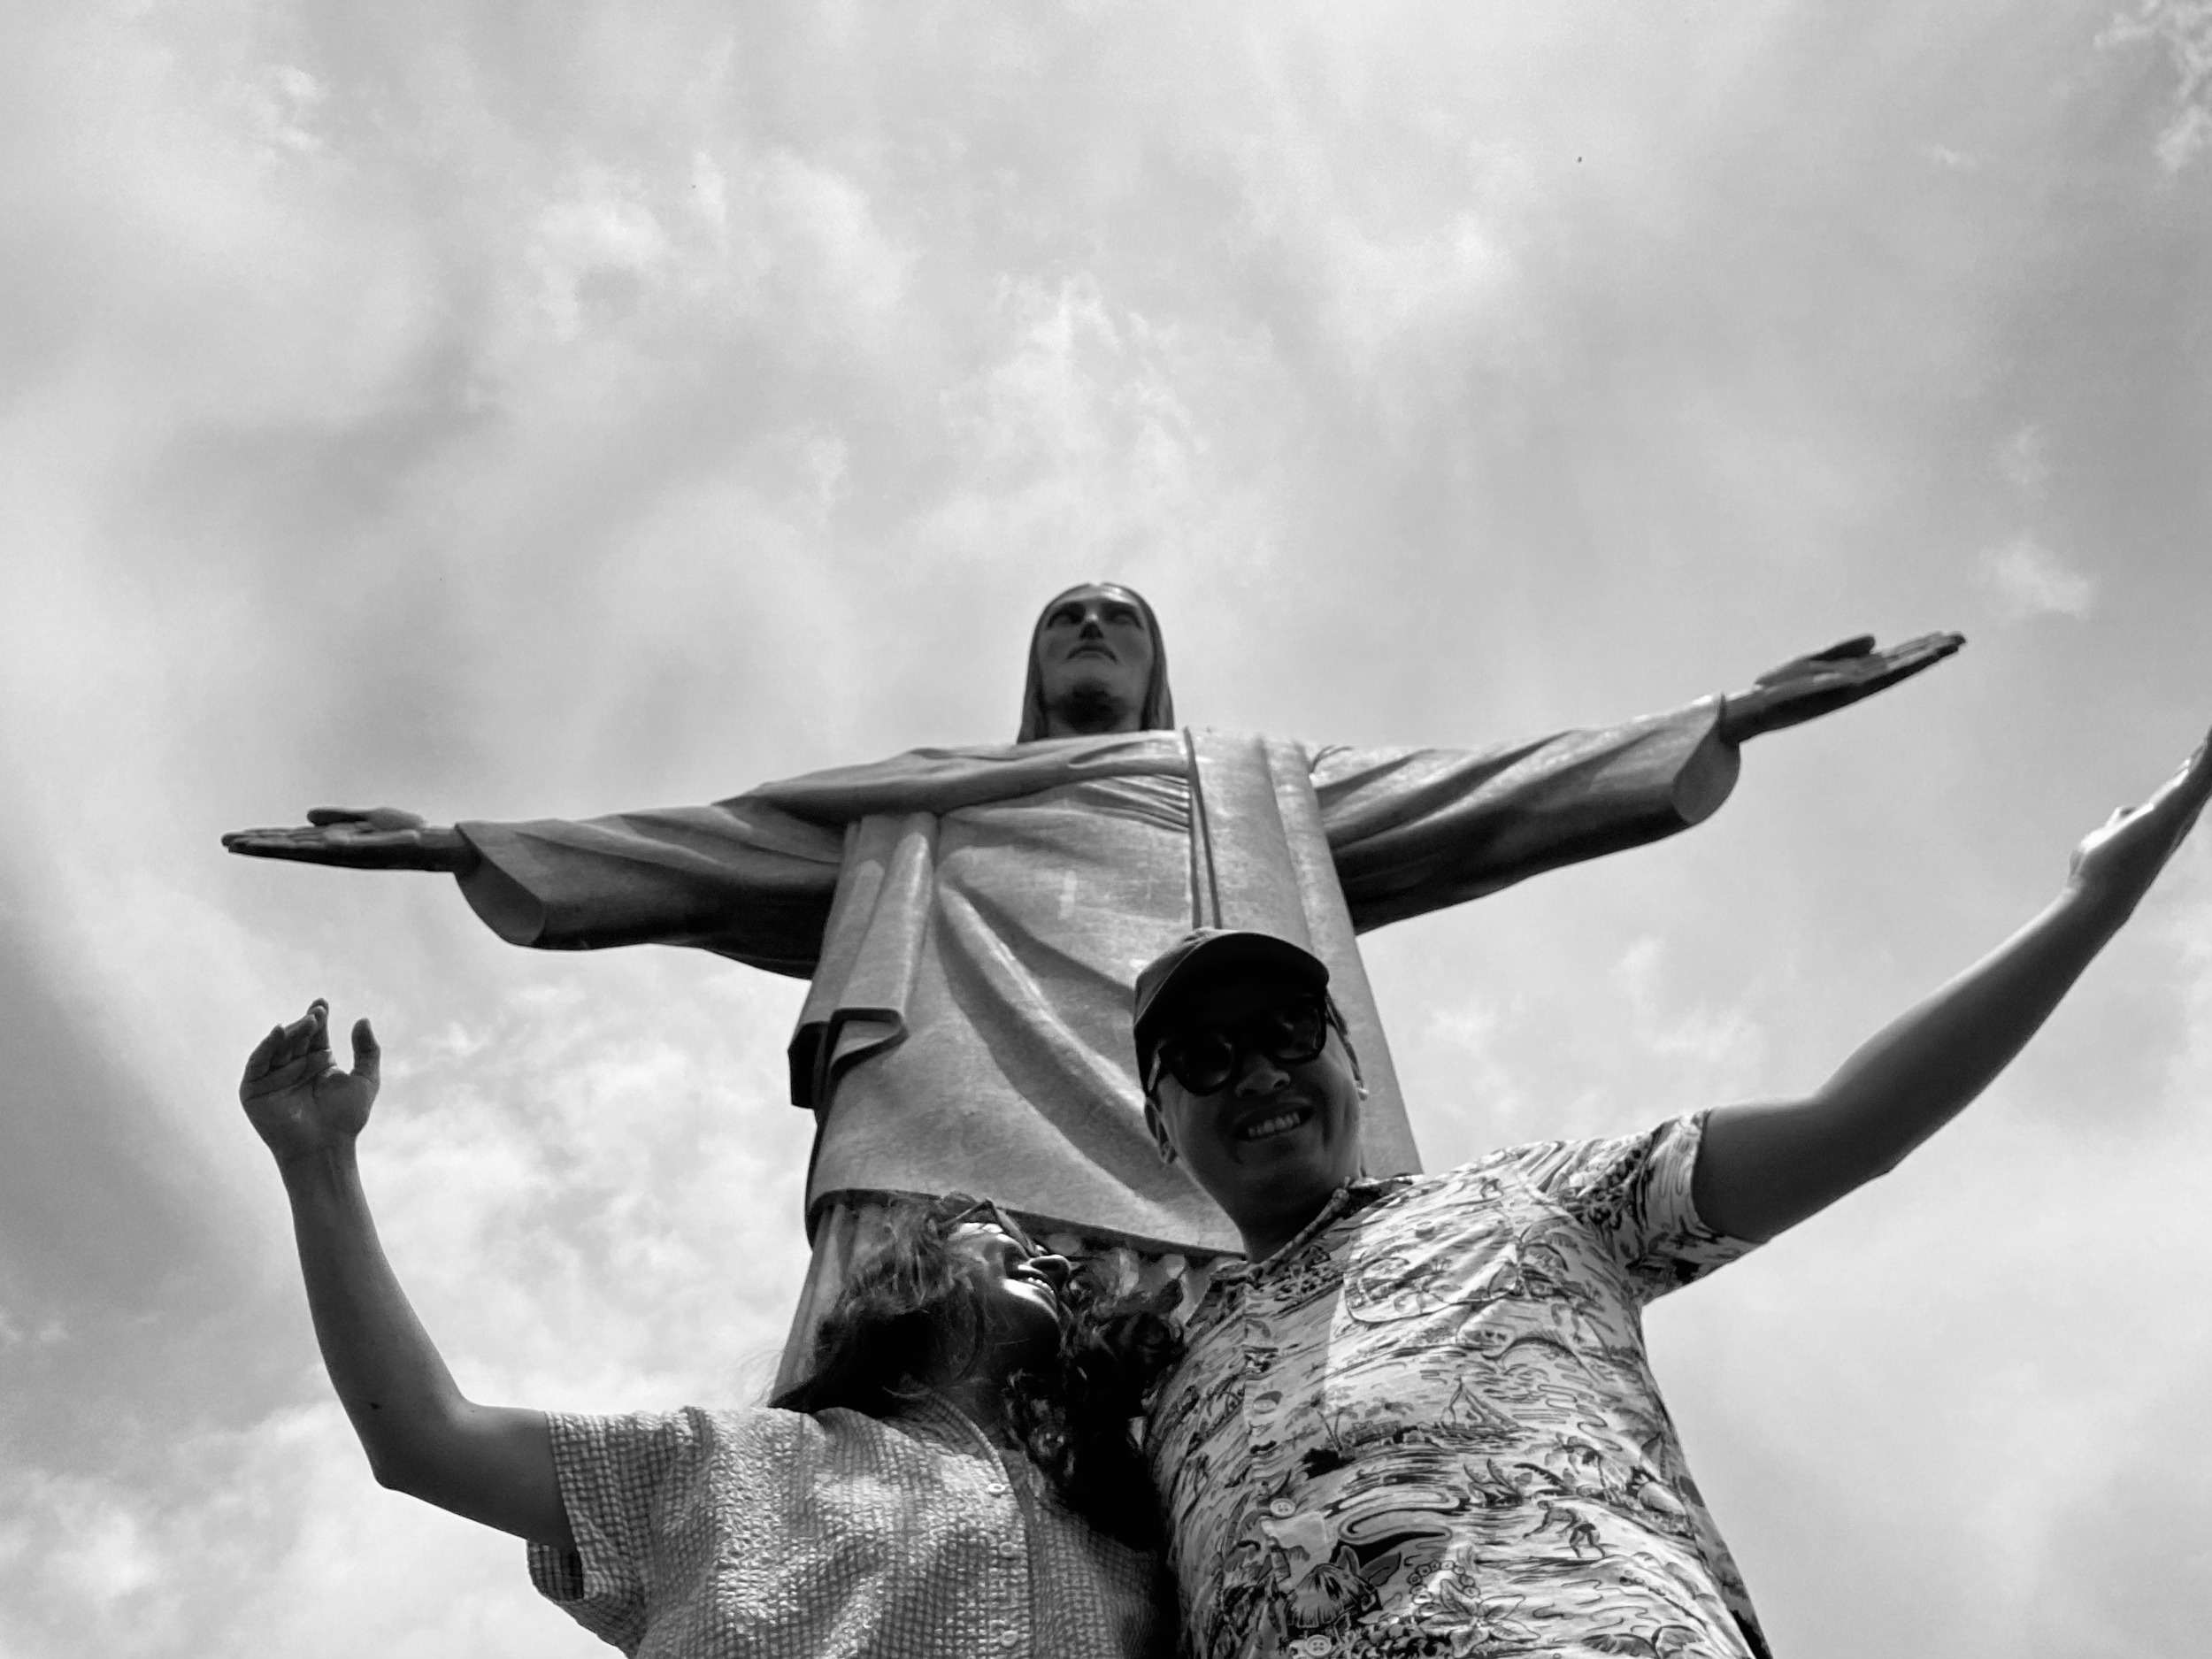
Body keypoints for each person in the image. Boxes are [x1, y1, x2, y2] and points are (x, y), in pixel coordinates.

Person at [226, 584, 1961, 1384]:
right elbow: (697, 844)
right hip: (946, 1157)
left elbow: (1481, 792)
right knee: (925, 1464)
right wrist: (463, 840)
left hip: (1224, 1154)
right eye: (1064, 615)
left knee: (1267, 1461)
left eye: (1120, 617)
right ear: (1028, 662)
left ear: (1156, 666)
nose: (1090, 629)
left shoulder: (1248, 790)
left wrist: (1717, 718)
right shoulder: (914, 803)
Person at [1131, 726, 2212, 1658]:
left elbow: (1854, 1125)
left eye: (1286, 1030)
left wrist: (2093, 901)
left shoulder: (1530, 1203)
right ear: (1159, 1126)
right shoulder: (1153, 1384)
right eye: (1205, 1056)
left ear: (1350, 1061)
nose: (1258, 1073)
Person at [238, 1002, 1179, 1656]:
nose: (1051, 1259)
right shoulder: (727, 1462)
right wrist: (318, 1164)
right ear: (911, 1283)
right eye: (1001, 1233)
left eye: (1063, 1269)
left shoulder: (1136, 1544)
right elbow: (425, 1437)